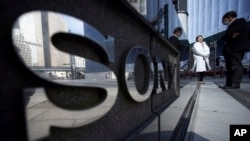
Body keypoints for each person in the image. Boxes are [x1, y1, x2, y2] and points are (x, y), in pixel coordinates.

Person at [219, 11, 249, 89]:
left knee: (236, 65)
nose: (224, 21)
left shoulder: (240, 21)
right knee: (229, 67)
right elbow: (226, 37)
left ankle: (235, 84)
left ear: (229, 17)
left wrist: (229, 35)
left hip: (237, 48)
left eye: (224, 19)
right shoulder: (230, 26)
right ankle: (228, 84)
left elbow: (229, 34)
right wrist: (230, 35)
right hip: (229, 50)